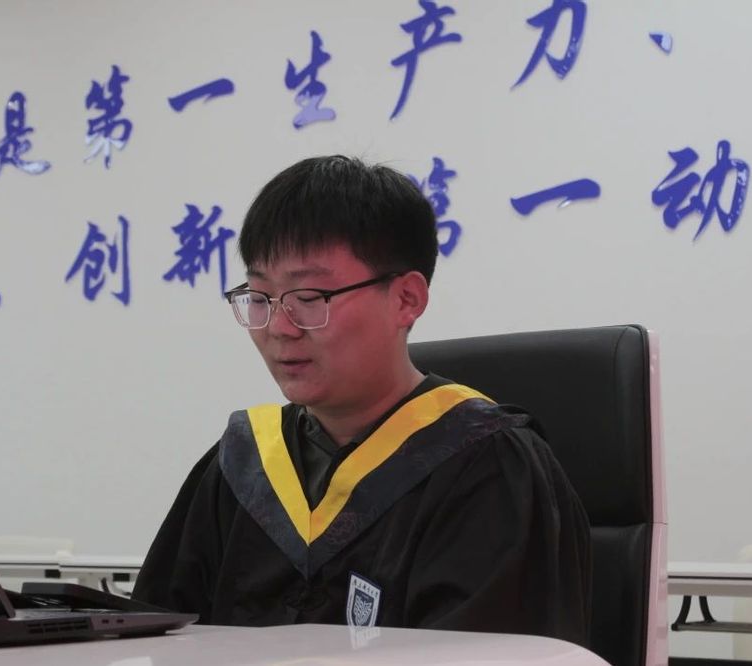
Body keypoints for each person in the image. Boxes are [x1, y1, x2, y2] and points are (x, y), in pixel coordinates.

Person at [133, 155, 591, 644]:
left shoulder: (488, 467)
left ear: (406, 299)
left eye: (309, 298)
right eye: (261, 298)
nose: (279, 328)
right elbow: (153, 637)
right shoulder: (243, 464)